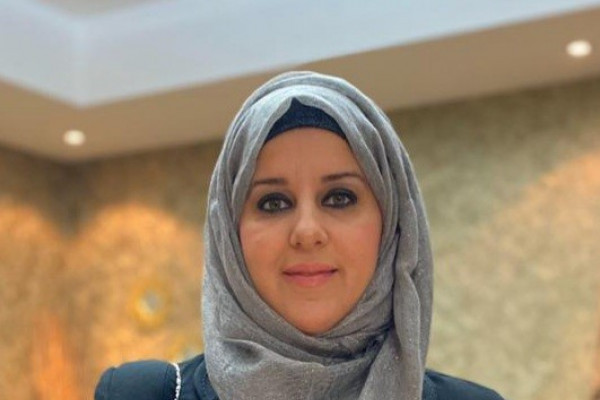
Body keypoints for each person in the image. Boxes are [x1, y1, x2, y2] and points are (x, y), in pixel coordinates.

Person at [95, 71, 504, 400]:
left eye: (340, 197)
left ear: (392, 226)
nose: (307, 232)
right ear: (230, 236)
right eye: (273, 202)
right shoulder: (138, 395)